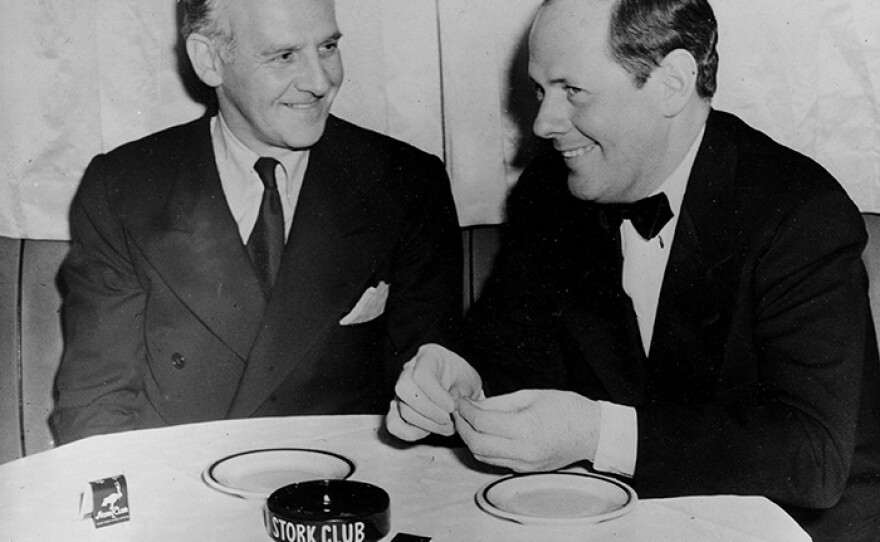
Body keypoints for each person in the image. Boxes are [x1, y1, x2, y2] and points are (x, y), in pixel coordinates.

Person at [386, 0, 880, 540]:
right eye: (539, 90)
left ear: (671, 82)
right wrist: (460, 377)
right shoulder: (551, 192)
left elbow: (814, 455)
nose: (543, 123)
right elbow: (512, 351)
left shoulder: (797, 212)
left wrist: (597, 434)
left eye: (572, 90)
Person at [51, 0, 461, 444]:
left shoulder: (409, 183)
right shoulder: (124, 188)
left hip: (341, 492)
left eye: (327, 47)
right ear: (209, 60)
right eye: (284, 56)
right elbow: (96, 405)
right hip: (180, 493)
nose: (320, 82)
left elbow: (433, 406)